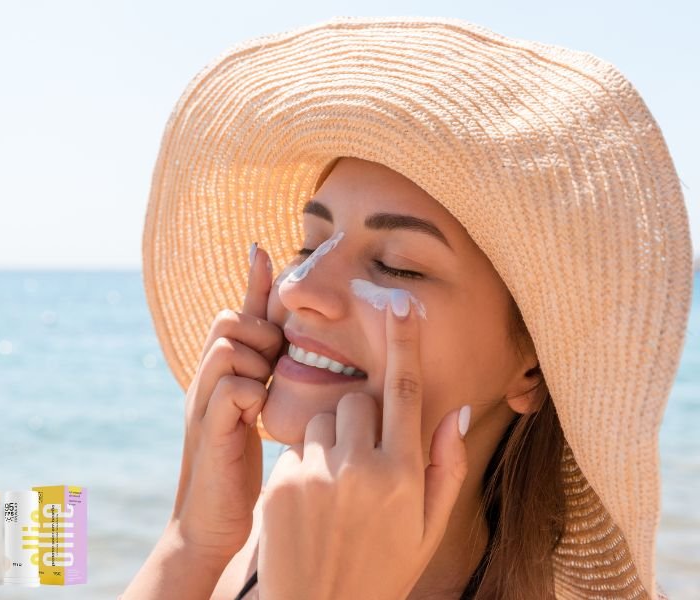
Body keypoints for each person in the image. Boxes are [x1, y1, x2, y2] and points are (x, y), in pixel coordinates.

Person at [123, 16, 691, 599]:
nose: (298, 289)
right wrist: (191, 540)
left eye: (397, 266)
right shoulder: (268, 529)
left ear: (533, 366)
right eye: (309, 246)